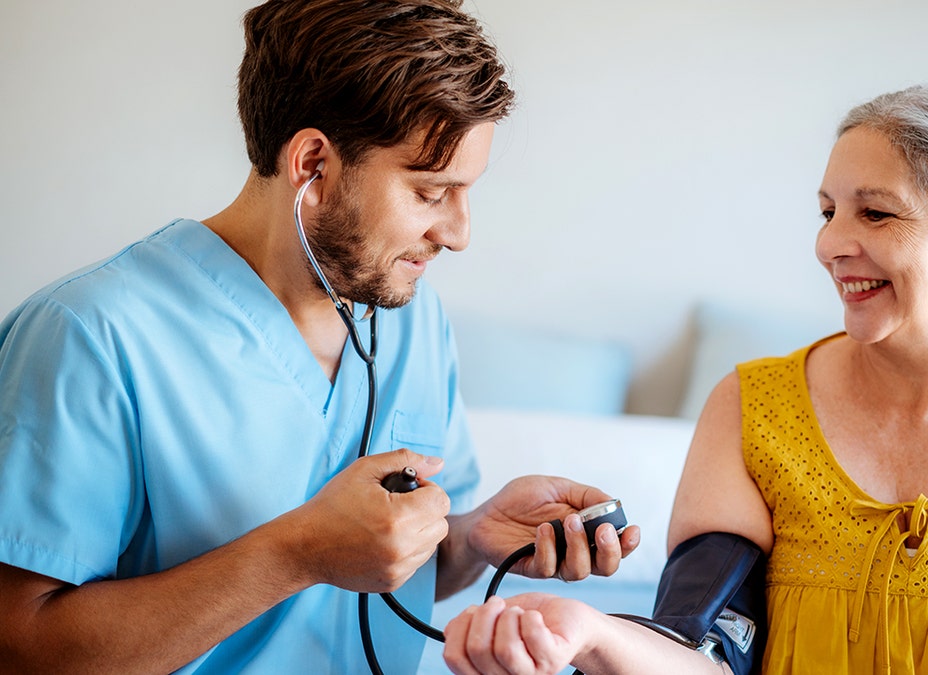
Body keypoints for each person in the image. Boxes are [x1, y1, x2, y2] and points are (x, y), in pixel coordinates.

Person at [0, 1, 640, 673]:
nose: (457, 233)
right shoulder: (87, 336)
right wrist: (295, 552)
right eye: (429, 192)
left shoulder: (410, 318)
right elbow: (22, 644)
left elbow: (376, 565)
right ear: (313, 164)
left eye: (465, 193)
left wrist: (472, 540)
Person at [440, 82, 928, 675]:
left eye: (875, 212)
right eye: (827, 210)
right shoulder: (753, 408)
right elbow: (705, 647)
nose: (830, 245)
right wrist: (592, 632)